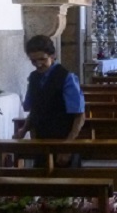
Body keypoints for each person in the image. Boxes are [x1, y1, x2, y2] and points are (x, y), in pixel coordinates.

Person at [17, 34, 86, 167]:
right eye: (33, 61)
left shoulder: (67, 78)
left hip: (62, 139)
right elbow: (35, 109)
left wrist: (68, 146)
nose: (38, 64)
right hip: (41, 140)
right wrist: (24, 129)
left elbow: (79, 115)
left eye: (42, 59)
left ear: (53, 55)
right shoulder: (34, 77)